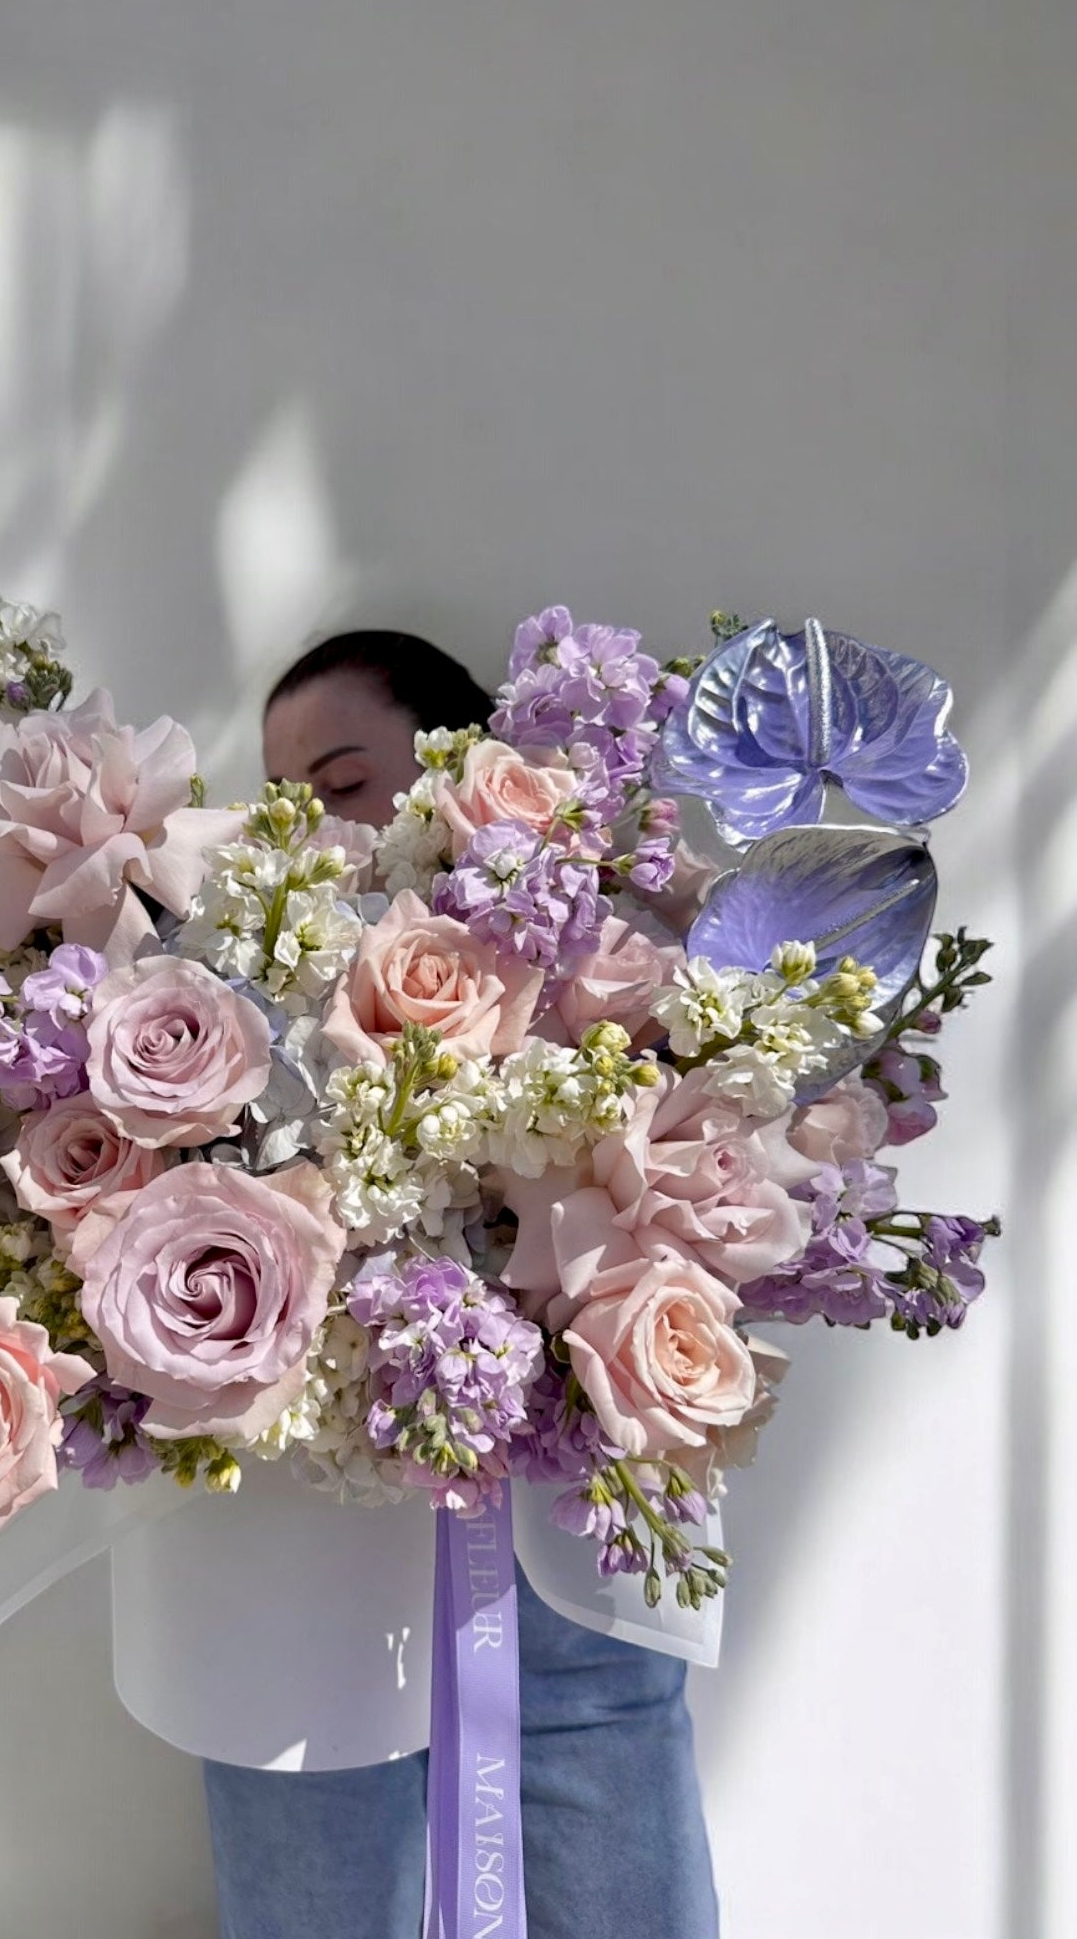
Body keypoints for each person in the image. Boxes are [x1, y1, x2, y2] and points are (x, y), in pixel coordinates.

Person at [199, 628, 719, 1939]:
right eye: (285, 805)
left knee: (592, 1729)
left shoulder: (607, 966)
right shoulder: (241, 1000)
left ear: (465, 770)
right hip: (314, 1544)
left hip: (555, 1534)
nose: (318, 833)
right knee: (298, 1772)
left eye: (343, 780)